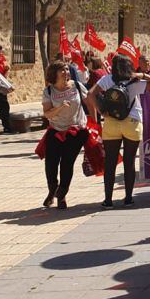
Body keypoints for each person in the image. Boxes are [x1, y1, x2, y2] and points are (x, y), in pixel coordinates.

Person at [86, 54, 150, 207]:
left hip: (111, 123)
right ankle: (128, 198)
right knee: (129, 161)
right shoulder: (135, 81)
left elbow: (90, 94)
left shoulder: (107, 80)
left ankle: (108, 200)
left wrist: (102, 111)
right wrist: (143, 74)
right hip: (132, 123)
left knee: (110, 162)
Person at [41, 60, 90, 209]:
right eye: (62, 70)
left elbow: (90, 102)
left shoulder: (77, 86)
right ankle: (52, 190)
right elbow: (47, 114)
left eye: (67, 70)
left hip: (76, 131)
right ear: (54, 74)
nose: (66, 73)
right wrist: (60, 107)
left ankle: (61, 195)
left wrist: (93, 123)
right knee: (51, 164)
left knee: (67, 163)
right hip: (56, 131)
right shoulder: (49, 91)